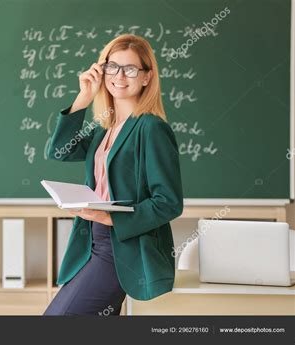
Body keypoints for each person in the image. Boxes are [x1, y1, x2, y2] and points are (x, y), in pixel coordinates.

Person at [43, 34, 184, 315]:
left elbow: (168, 202)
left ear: (146, 77)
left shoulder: (151, 129)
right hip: (91, 244)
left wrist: (110, 217)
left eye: (130, 69)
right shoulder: (103, 130)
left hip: (122, 250)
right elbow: (58, 151)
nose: (119, 75)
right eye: (112, 67)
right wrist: (83, 98)